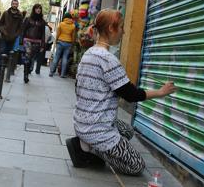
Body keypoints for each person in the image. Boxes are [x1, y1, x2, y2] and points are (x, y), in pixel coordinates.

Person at [66, 9, 177, 175]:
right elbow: (131, 95)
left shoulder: (89, 53)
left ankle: (86, 142)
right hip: (97, 128)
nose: (124, 32)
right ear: (112, 28)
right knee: (136, 166)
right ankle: (88, 148)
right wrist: (161, 92)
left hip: (82, 121)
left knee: (127, 131)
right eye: (122, 27)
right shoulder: (108, 59)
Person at [0, 0, 23, 75]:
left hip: (12, 38)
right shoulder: (5, 13)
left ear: (18, 5)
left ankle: (3, 68)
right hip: (4, 37)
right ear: (11, 4)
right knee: (2, 51)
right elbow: (0, 24)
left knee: (8, 53)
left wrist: (16, 34)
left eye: (16, 4)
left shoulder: (20, 15)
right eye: (13, 3)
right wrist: (3, 31)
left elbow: (20, 28)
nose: (14, 5)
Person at [21, 4, 46, 83]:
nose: (38, 10)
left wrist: (42, 45)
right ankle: (25, 75)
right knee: (27, 57)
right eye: (37, 8)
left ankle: (28, 70)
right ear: (34, 9)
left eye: (40, 8)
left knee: (31, 58)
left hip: (37, 42)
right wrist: (21, 42)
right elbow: (23, 30)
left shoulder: (42, 21)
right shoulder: (28, 19)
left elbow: (43, 34)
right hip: (27, 41)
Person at [49, 13, 76, 78]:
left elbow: (58, 33)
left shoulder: (61, 24)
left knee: (56, 57)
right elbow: (73, 36)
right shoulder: (73, 26)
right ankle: (62, 74)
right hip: (68, 43)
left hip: (60, 42)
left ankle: (51, 72)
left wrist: (56, 41)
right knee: (65, 58)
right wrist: (72, 44)